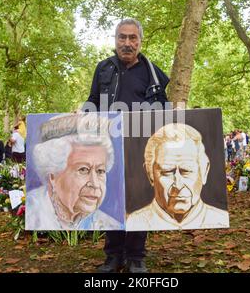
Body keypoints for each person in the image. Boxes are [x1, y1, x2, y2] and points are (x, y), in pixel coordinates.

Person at [83, 18, 170, 273]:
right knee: (110, 200)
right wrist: (83, 115)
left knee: (138, 201)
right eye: (122, 37)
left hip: (141, 148)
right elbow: (92, 101)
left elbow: (163, 111)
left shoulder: (153, 72)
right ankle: (113, 256)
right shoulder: (103, 69)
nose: (127, 43)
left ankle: (135, 257)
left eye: (133, 38)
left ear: (140, 41)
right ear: (115, 40)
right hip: (108, 147)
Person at [26, 113, 122, 230]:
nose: (95, 184)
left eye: (100, 171)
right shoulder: (32, 216)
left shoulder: (110, 226)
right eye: (83, 170)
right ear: (52, 176)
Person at [126, 123, 229, 231]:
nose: (178, 185)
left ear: (204, 171)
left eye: (187, 171)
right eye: (167, 172)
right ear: (150, 174)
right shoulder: (134, 223)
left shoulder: (220, 219)